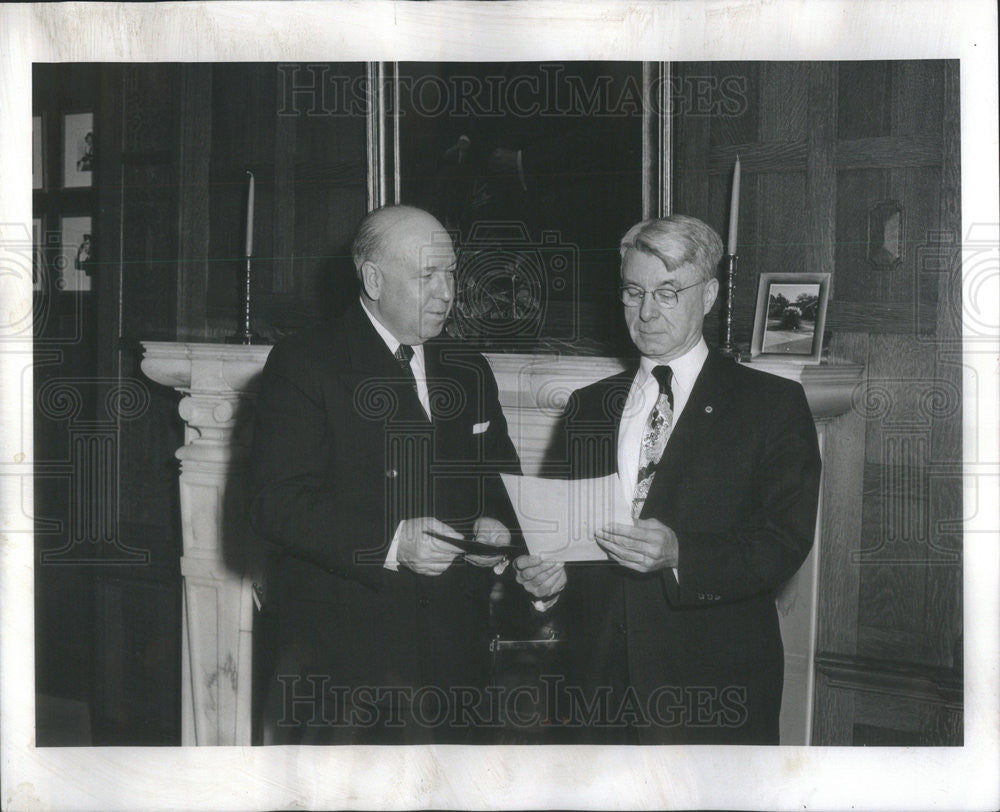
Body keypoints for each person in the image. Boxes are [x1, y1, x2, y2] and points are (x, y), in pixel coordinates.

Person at [537, 214, 821, 744]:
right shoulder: (588, 407)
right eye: (632, 292)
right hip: (598, 687)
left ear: (709, 295)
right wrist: (547, 580)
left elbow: (783, 542)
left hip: (712, 687)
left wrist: (681, 554)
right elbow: (562, 535)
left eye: (667, 293)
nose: (645, 312)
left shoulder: (772, 405)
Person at [248, 204, 525, 744]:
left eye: (450, 273)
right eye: (428, 275)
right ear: (374, 279)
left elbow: (501, 475)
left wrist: (497, 525)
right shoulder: (305, 361)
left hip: (454, 649)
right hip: (346, 655)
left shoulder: (468, 367)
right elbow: (274, 503)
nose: (448, 292)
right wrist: (394, 543)